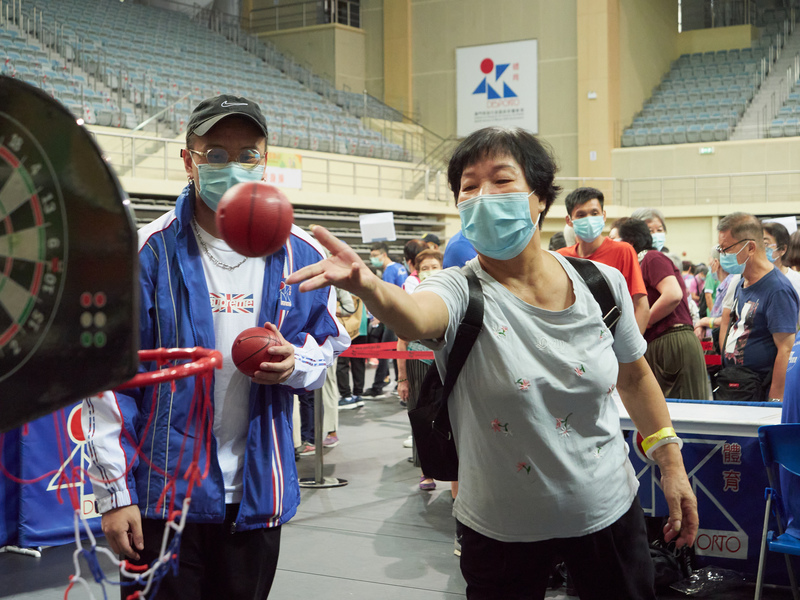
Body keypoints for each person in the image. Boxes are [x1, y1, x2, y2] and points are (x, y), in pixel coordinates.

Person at [287, 126, 697, 600]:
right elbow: (415, 314)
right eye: (469, 186)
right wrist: (371, 287)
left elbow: (635, 376)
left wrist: (671, 462)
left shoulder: (601, 283)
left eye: (501, 180)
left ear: (540, 197)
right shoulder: (459, 289)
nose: (483, 196)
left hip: (607, 511)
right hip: (501, 529)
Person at [82, 94, 350, 599]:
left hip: (257, 492)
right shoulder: (146, 253)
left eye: (248, 154)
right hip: (162, 497)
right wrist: (113, 493)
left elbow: (328, 346)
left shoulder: (303, 253)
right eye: (217, 154)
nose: (234, 166)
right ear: (189, 160)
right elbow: (108, 380)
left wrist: (296, 363)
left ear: (265, 160)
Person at [616, 218, 708, 400]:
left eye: (616, 240)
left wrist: (646, 320)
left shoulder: (651, 258)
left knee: (684, 410)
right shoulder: (636, 265)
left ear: (630, 242)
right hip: (658, 344)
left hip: (672, 341)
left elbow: (672, 294)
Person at [716, 212, 798, 402]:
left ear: (750, 247)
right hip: (735, 384)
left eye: (726, 249)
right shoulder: (741, 282)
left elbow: (786, 349)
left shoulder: (778, 289)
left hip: (760, 390)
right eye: (720, 249)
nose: (723, 256)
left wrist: (775, 399)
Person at [558, 187, 650, 334]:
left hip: (615, 338)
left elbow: (641, 306)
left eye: (594, 213)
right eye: (581, 215)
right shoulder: (562, 258)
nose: (589, 219)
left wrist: (631, 346)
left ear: (603, 215)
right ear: (569, 221)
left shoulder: (623, 251)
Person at [397, 249, 444, 491]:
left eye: (434, 267)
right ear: (417, 272)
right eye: (424, 268)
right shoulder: (411, 299)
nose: (430, 271)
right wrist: (402, 379)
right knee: (420, 416)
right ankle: (427, 471)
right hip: (418, 365)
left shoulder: (451, 297)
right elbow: (401, 341)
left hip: (446, 363)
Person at [363, 242, 407, 398]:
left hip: (393, 317)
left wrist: (379, 316)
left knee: (384, 351)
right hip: (402, 315)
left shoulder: (389, 271)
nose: (373, 259)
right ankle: (396, 381)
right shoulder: (400, 268)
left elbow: (386, 297)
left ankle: (378, 386)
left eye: (375, 255)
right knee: (396, 350)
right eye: (371, 256)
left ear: (384, 255)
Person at [762, 221, 800, 320]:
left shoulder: (795, 281)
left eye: (766, 244)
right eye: (759, 244)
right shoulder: (749, 280)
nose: (761, 249)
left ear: (782, 249)